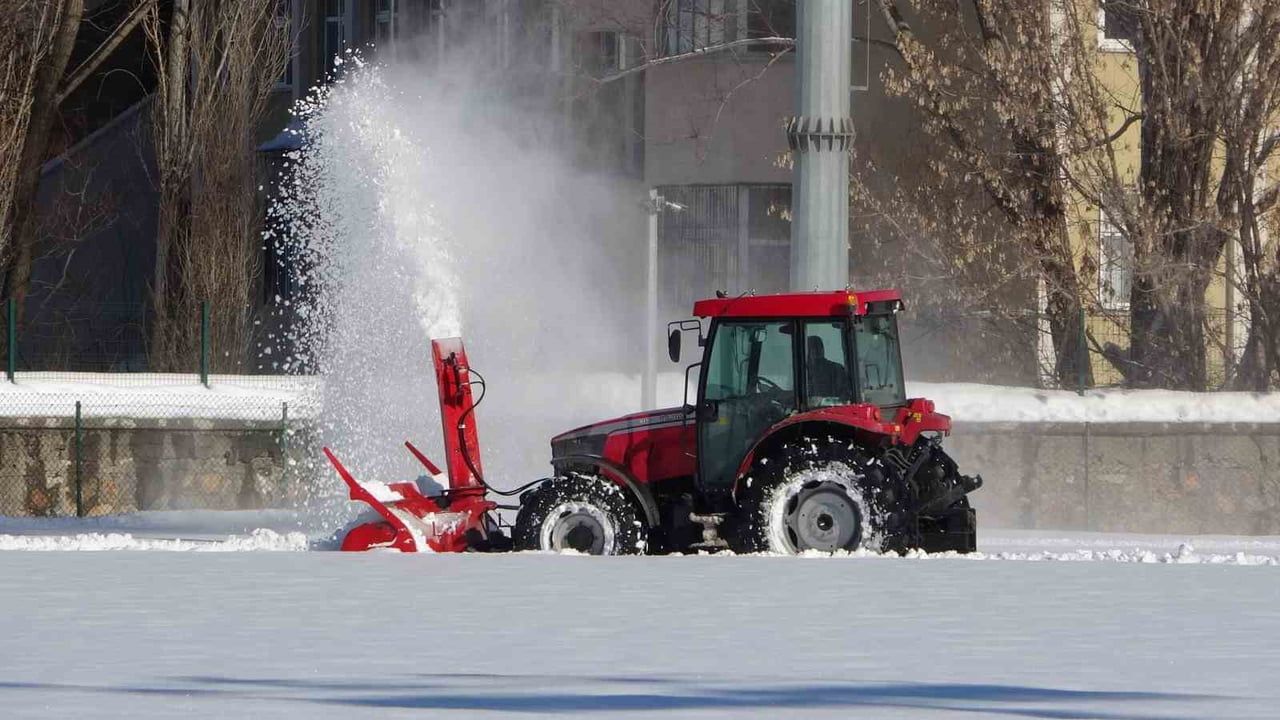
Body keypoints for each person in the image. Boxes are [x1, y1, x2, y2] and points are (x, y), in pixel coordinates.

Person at [806, 335, 851, 400]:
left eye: (818, 348)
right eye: (812, 348)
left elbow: (845, 395)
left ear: (822, 349)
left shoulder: (837, 369)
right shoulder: (803, 374)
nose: (816, 351)